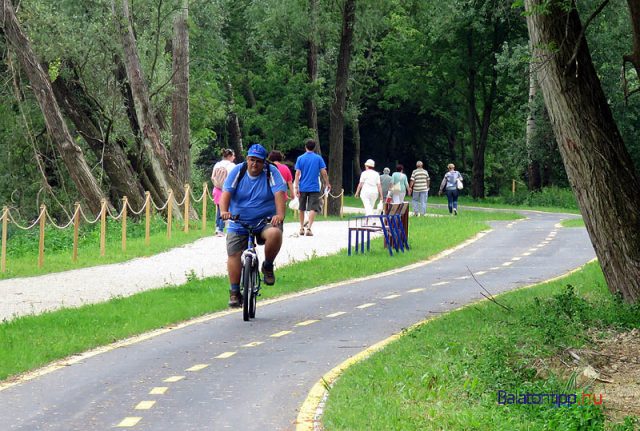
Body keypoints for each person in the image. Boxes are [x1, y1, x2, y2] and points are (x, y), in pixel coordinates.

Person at [219, 144, 287, 307]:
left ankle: (268, 266)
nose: (254, 164)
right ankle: (235, 292)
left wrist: (279, 215)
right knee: (234, 253)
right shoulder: (238, 171)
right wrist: (224, 211)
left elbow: (279, 194)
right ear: (247, 159)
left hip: (265, 221)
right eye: (251, 160)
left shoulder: (271, 172)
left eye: (258, 161)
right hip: (239, 221)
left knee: (275, 234)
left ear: (264, 162)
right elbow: (226, 193)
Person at [294, 139, 331, 236]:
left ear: (305, 146)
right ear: (314, 147)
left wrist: (296, 187)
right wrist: (327, 183)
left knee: (301, 208)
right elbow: (324, 172)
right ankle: (309, 228)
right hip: (314, 187)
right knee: (313, 208)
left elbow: (297, 173)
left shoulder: (300, 158)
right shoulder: (318, 158)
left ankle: (301, 228)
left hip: (302, 187)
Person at [210, 149, 236, 237]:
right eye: (233, 156)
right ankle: (221, 228)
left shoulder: (217, 164)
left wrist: (217, 184)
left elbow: (212, 177)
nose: (234, 157)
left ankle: (218, 227)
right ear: (229, 156)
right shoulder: (232, 165)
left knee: (219, 209)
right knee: (224, 209)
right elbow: (233, 178)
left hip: (216, 189)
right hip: (226, 190)